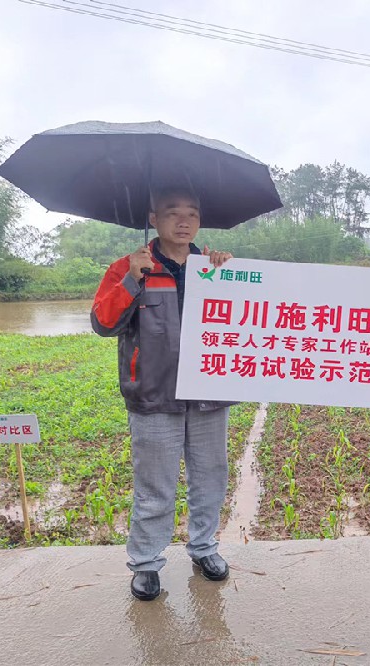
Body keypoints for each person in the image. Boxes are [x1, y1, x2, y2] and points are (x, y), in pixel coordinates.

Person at [91, 186, 234, 601]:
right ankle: (147, 563)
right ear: (153, 218)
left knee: (210, 478)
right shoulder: (130, 266)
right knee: (155, 486)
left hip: (209, 393)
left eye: (192, 212)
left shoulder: (216, 266)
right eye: (173, 212)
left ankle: (204, 548)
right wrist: (132, 280)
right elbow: (103, 323)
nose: (184, 221)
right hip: (154, 395)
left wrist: (228, 272)